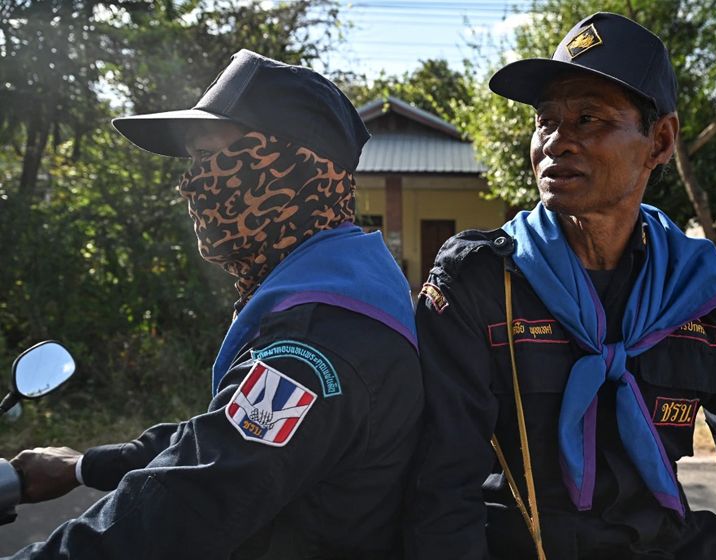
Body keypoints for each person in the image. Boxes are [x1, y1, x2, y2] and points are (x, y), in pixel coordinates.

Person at [405, 12, 716, 560]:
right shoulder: (480, 282)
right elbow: (442, 484)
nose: (556, 142)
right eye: (546, 121)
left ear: (660, 141)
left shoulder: (696, 290)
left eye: (588, 118)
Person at [6, 50, 422, 559]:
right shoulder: (339, 283)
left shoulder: (315, 343)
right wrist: (80, 467)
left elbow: (185, 506)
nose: (190, 183)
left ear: (286, 167)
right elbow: (220, 437)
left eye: (208, 157)